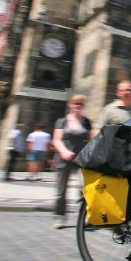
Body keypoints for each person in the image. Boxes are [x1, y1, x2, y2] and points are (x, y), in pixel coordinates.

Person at [50, 94, 93, 229]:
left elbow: (90, 141)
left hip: (81, 160)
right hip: (64, 158)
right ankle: (60, 217)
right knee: (61, 191)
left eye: (81, 104)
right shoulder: (62, 121)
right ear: (70, 105)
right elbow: (56, 140)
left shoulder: (86, 122)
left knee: (85, 189)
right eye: (76, 103)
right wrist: (64, 151)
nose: (78, 106)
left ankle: (85, 217)